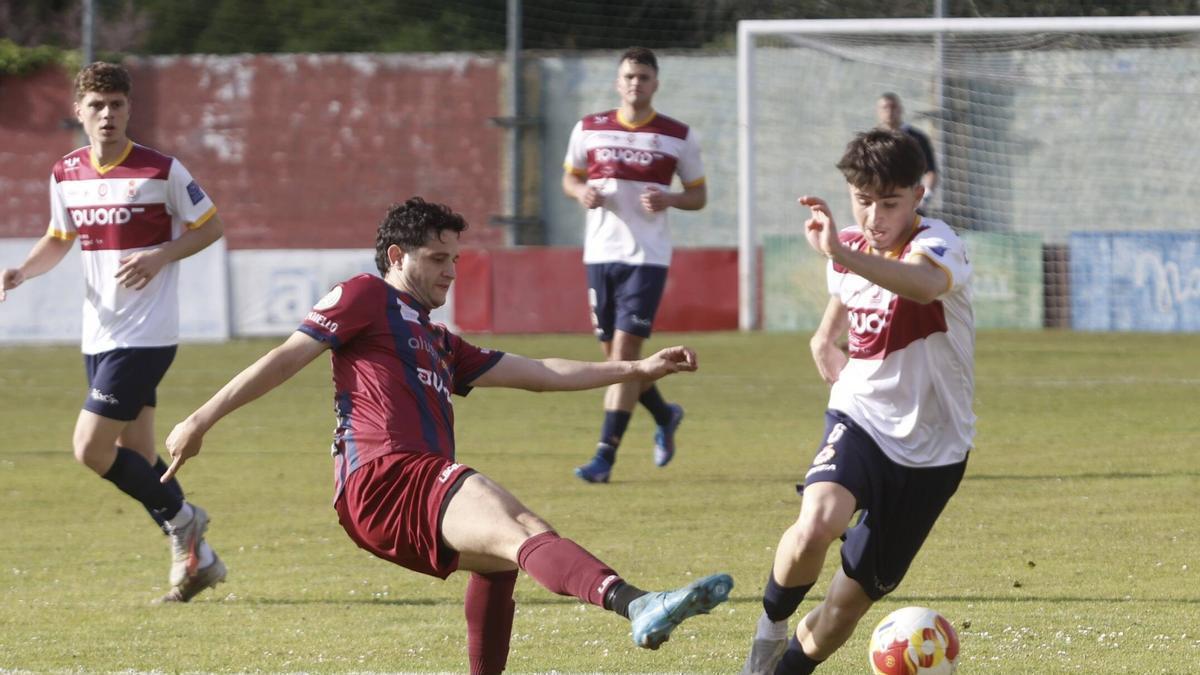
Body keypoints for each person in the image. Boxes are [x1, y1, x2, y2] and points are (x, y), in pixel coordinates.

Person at [160, 197, 733, 674]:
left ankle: (626, 609)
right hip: (388, 477)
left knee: (503, 560)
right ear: (395, 255)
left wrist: (636, 370)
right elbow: (286, 358)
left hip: (400, 488)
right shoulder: (365, 296)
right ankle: (638, 604)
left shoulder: (437, 339)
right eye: (437, 258)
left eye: (455, 259)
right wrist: (200, 419)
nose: (450, 272)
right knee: (519, 530)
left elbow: (537, 373)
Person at [740, 129, 974, 674]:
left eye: (889, 203)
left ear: (918, 196)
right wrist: (825, 334)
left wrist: (842, 252)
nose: (874, 216)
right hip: (861, 419)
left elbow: (917, 285)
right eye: (863, 201)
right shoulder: (844, 248)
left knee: (843, 609)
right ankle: (768, 633)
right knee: (817, 522)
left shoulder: (940, 244)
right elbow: (846, 290)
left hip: (934, 454)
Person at [0, 62, 227, 603]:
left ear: (129, 109)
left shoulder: (161, 170)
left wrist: (160, 254)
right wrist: (22, 271)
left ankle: (186, 521)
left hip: (147, 335)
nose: (108, 115)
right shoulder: (66, 173)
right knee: (138, 454)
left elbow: (211, 226)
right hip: (97, 333)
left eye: (117, 105)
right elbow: (59, 237)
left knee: (89, 449)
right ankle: (198, 560)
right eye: (97, 105)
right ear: (78, 111)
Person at [561, 46, 707, 483]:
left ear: (655, 83)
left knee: (624, 355)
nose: (635, 84)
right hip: (600, 255)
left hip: (647, 257)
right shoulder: (589, 128)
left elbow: (698, 195)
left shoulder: (677, 135)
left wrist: (671, 198)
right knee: (615, 362)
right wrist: (579, 193)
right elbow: (570, 176)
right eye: (628, 76)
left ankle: (604, 456)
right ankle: (665, 414)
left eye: (643, 77)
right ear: (617, 82)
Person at [876, 92, 938, 214]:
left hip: (910, 205)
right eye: (885, 107)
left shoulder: (917, 138)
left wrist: (924, 199)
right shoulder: (873, 140)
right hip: (882, 205)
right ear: (878, 111)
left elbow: (930, 172)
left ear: (901, 109)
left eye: (893, 106)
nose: (889, 111)